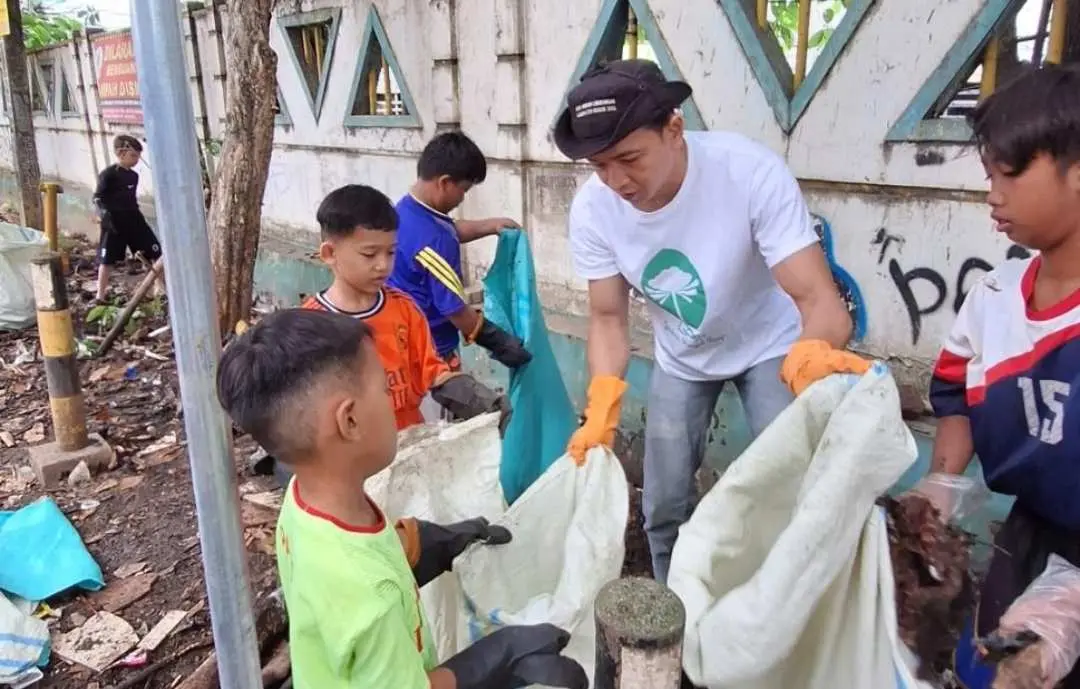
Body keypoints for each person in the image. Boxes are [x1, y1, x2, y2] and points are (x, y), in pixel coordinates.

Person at [553, 59, 868, 583]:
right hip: (682, 353)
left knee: (793, 490)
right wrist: (602, 399)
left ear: (674, 129)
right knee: (664, 504)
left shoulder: (748, 173)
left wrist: (816, 355)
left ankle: (782, 605)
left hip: (774, 347)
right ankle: (676, 616)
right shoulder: (593, 211)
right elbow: (608, 317)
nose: (615, 181)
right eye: (598, 166)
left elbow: (820, 300)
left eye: (629, 159)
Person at [216, 308, 588, 689]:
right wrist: (501, 654)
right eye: (383, 389)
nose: (391, 398)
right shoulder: (370, 599)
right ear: (349, 421)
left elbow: (360, 551)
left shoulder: (302, 500)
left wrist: (429, 543)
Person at [920, 64, 1080, 689]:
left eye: (1009, 174)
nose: (994, 195)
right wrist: (941, 485)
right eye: (989, 177)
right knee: (990, 665)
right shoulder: (994, 297)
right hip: (1030, 531)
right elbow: (957, 393)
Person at [303, 184, 509, 432]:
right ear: (329, 253)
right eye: (369, 254)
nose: (383, 265)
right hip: (350, 459)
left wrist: (485, 402)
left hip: (407, 447)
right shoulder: (310, 326)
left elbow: (435, 374)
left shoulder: (404, 309)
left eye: (391, 253)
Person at [389, 131, 532, 372]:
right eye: (464, 190)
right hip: (431, 354)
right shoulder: (435, 241)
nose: (463, 198)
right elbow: (454, 309)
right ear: (444, 182)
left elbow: (450, 228)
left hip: (401, 337)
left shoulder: (405, 211)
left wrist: (490, 225)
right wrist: (500, 343)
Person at [92, 135, 164, 303]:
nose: (136, 160)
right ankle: (100, 295)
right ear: (120, 153)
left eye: (138, 156)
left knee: (155, 251)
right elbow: (97, 198)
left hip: (134, 218)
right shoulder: (108, 175)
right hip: (114, 221)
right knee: (107, 259)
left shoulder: (133, 176)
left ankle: (160, 289)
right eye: (133, 156)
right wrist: (103, 214)